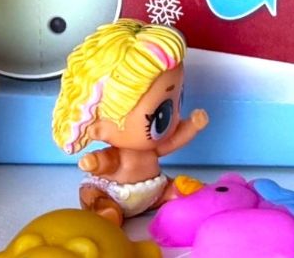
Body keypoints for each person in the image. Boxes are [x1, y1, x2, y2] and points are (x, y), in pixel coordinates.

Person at [52, 19, 210, 225]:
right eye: (162, 115)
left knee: (176, 188)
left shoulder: (153, 149)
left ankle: (180, 196)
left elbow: (173, 141)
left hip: (154, 191)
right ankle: (104, 210)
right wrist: (96, 162)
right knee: (93, 195)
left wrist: (192, 126)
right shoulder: (118, 156)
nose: (173, 121)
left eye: (179, 100)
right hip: (116, 194)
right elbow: (109, 162)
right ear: (100, 128)